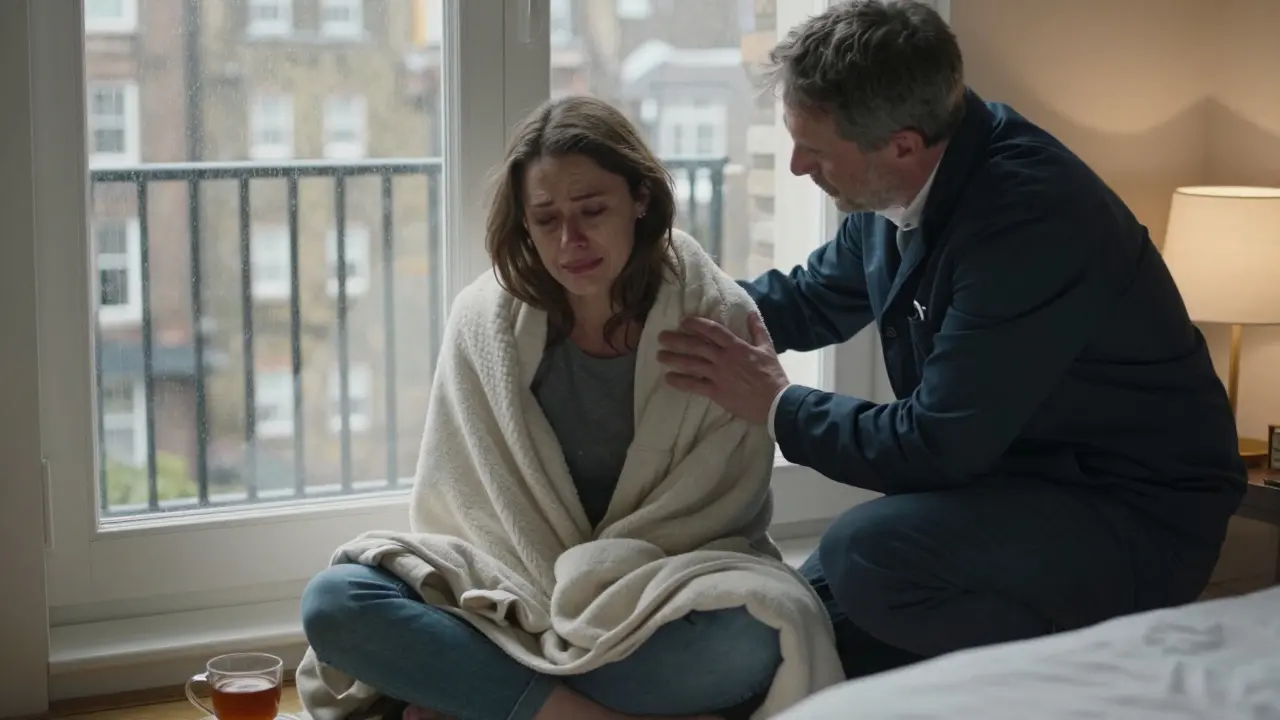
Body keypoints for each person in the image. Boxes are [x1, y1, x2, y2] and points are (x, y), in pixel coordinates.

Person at [657, 0, 1247, 680]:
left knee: (863, 554)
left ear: (902, 145)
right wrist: (656, 312)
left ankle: (1086, 676)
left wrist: (776, 404)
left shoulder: (1031, 221)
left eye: (814, 150)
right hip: (1011, 488)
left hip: (1134, 512)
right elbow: (809, 299)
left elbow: (933, 444)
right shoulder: (890, 184)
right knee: (790, 619)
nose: (795, 166)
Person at [297, 96, 839, 720]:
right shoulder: (483, 323)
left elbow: (721, 507)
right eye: (546, 218)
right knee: (337, 601)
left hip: (654, 598)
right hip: (506, 593)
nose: (570, 241)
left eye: (592, 210)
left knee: (753, 639)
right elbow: (463, 509)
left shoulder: (716, 320)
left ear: (640, 198)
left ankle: (482, 696)